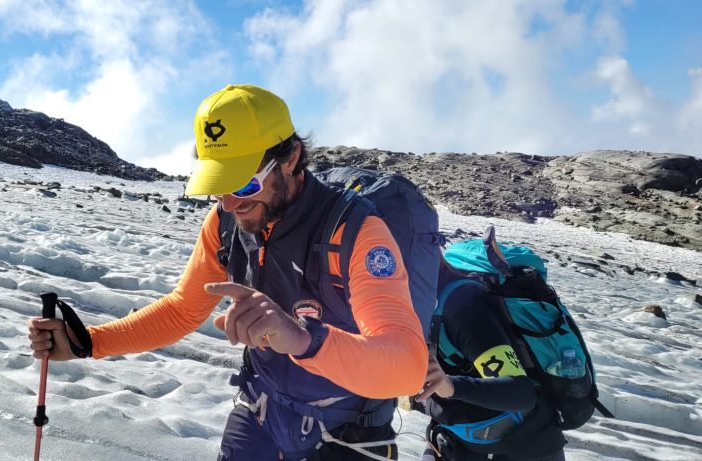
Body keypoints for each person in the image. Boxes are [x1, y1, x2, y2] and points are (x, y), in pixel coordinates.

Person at [28, 84, 426, 460]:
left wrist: (303, 339)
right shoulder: (224, 224)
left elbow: (408, 368)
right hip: (262, 409)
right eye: (220, 185)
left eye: (245, 184)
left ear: (290, 158)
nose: (232, 203)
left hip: (349, 431)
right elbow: (183, 310)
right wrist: (88, 343)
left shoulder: (357, 233)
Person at [414, 258, 566, 461]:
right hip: (458, 439)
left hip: (522, 446)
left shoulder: (463, 310)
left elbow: (519, 392)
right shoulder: (412, 302)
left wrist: (450, 386)